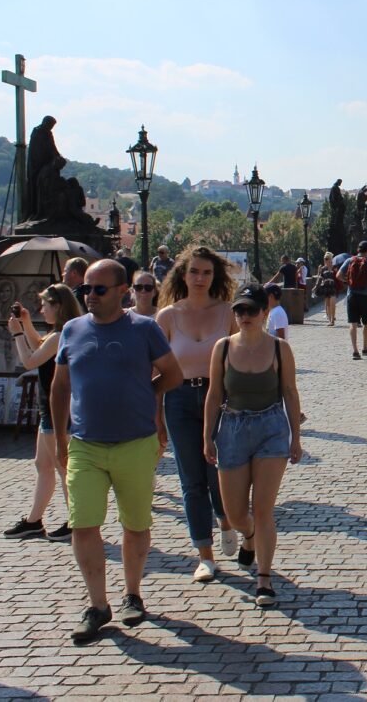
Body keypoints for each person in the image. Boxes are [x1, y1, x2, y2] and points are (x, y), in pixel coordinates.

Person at [50, 259, 184, 644]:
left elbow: (172, 374)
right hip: (86, 445)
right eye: (86, 289)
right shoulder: (72, 330)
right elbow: (60, 388)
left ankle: (133, 594)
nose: (90, 295)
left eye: (99, 289)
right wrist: (60, 438)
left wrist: (148, 393)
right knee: (83, 524)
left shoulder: (144, 329)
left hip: (136, 443)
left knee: (136, 524)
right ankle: (97, 605)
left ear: (123, 290)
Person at [203, 285, 301, 606]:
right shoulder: (222, 348)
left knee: (263, 509)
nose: (244, 316)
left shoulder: (279, 349)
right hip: (231, 428)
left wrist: (295, 438)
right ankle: (247, 538)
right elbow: (215, 395)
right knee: (234, 513)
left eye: (251, 310)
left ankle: (264, 578)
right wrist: (208, 436)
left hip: (271, 427)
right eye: (239, 311)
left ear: (264, 313)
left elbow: (289, 391)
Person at [155, 247, 239, 583]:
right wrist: (154, 417)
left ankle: (227, 519)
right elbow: (154, 371)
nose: (200, 278)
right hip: (179, 400)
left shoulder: (228, 313)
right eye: (194, 272)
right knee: (191, 480)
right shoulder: (168, 317)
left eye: (206, 272)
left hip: (220, 399)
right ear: (183, 276)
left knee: (219, 472)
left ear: (215, 276)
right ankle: (204, 555)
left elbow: (242, 359)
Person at [2, 283, 83, 542]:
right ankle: (34, 521)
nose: (41, 309)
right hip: (49, 407)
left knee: (62, 467)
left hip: (56, 408)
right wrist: (26, 324)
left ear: (58, 307)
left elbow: (31, 360)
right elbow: (40, 344)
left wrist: (16, 335)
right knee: (44, 464)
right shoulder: (61, 332)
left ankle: (76, 522)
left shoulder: (61, 336)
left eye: (45, 305)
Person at [337, 241, 367, 361]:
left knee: (353, 323)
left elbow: (338, 275)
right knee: (366, 323)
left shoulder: (350, 260)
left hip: (352, 295)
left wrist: (348, 282)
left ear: (358, 249)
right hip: (366, 296)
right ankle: (365, 347)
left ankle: (355, 350)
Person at [314, 252, 339, 326]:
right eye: (325, 259)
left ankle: (332, 320)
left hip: (333, 287)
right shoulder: (323, 268)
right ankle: (330, 319)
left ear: (330, 259)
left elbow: (338, 276)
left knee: (332, 303)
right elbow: (320, 278)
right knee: (328, 304)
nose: (325, 260)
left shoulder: (334, 267)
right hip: (326, 287)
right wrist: (315, 286)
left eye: (327, 259)